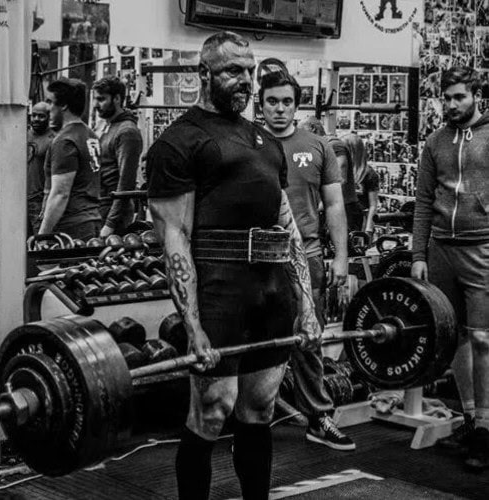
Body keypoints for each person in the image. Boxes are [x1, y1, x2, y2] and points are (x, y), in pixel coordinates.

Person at [146, 31, 323, 500]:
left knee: (260, 408)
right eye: (232, 71)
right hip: (220, 294)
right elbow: (175, 239)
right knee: (212, 409)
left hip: (270, 294)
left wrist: (305, 304)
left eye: (249, 71)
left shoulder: (263, 139)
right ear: (204, 73)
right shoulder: (179, 141)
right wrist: (193, 325)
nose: (245, 80)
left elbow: (287, 230)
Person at [259, 71, 355, 451]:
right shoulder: (249, 144)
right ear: (261, 102)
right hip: (261, 257)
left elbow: (334, 205)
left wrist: (342, 259)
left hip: (309, 256)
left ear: (296, 105)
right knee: (259, 341)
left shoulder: (317, 145)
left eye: (286, 102)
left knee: (308, 339)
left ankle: (318, 417)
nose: (279, 109)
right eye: (272, 101)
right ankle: (253, 423)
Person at [412, 66, 489, 472]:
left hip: (482, 248)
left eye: (459, 96)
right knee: (454, 336)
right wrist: (418, 255)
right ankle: (471, 419)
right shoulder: (434, 142)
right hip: (441, 248)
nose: (451, 104)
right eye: (446, 97)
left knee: (482, 338)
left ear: (476, 95)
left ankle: (487, 430)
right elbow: (424, 201)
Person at [39, 78, 102, 241]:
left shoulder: (65, 141)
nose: (48, 108)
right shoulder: (91, 135)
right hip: (91, 221)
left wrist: (42, 235)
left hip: (71, 228)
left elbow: (60, 193)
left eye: (50, 102)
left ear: (64, 106)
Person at [92, 76, 143, 237]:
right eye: (95, 99)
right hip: (98, 207)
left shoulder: (127, 132)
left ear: (117, 99)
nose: (95, 105)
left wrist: (110, 224)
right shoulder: (106, 126)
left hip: (113, 212)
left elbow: (126, 182)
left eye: (101, 99)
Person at [298, 116, 363, 232]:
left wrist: (321, 205)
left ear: (313, 128)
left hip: (344, 209)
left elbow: (340, 179)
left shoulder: (334, 145)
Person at [341, 133, 379, 236]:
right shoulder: (342, 170)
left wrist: (368, 229)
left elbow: (373, 205)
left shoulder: (368, 174)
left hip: (359, 222)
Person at [27, 101, 55, 236]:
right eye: (34, 115)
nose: (36, 119)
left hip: (39, 200)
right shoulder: (22, 134)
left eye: (41, 116)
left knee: (39, 241)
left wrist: (47, 201)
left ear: (49, 117)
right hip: (19, 199)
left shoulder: (53, 139)